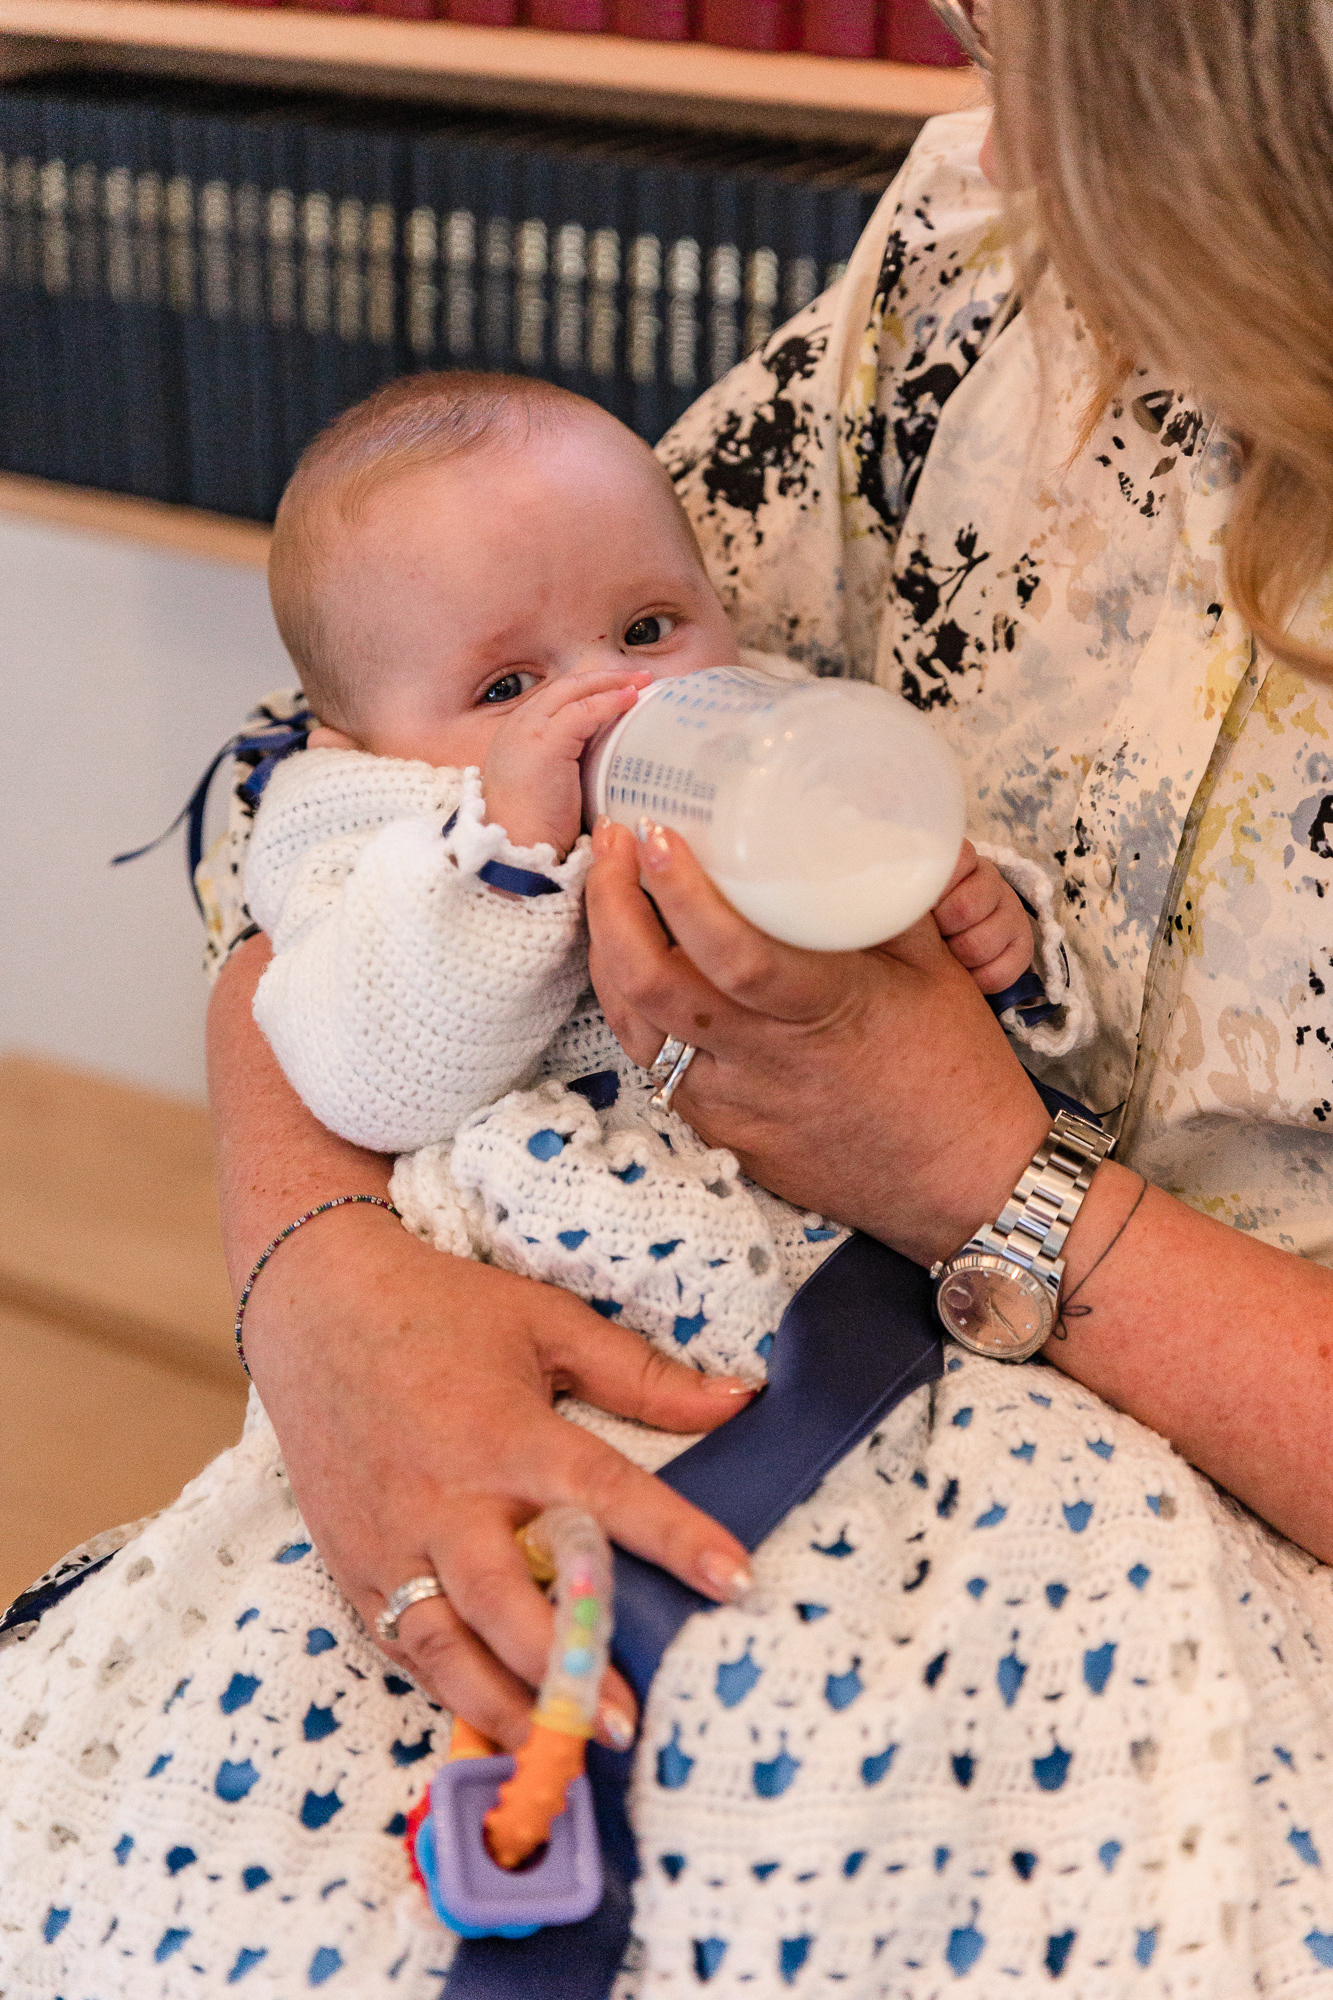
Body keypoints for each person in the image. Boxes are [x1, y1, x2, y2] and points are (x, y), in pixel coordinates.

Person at [6, 1, 1333, 1991]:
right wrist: (320, 1274)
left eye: (1048, 54)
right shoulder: (995, 240)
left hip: (1102, 1525)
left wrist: (992, 1177)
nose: (980, 123)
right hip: (694, 1362)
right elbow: (328, 806)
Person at [244, 367, 1044, 1400]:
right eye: (507, 686)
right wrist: (504, 861)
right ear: (355, 742)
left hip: (865, 1259)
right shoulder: (367, 821)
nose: (613, 698)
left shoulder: (765, 723)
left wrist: (970, 912)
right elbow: (365, 1077)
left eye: (647, 629)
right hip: (552, 1275)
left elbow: (884, 862)